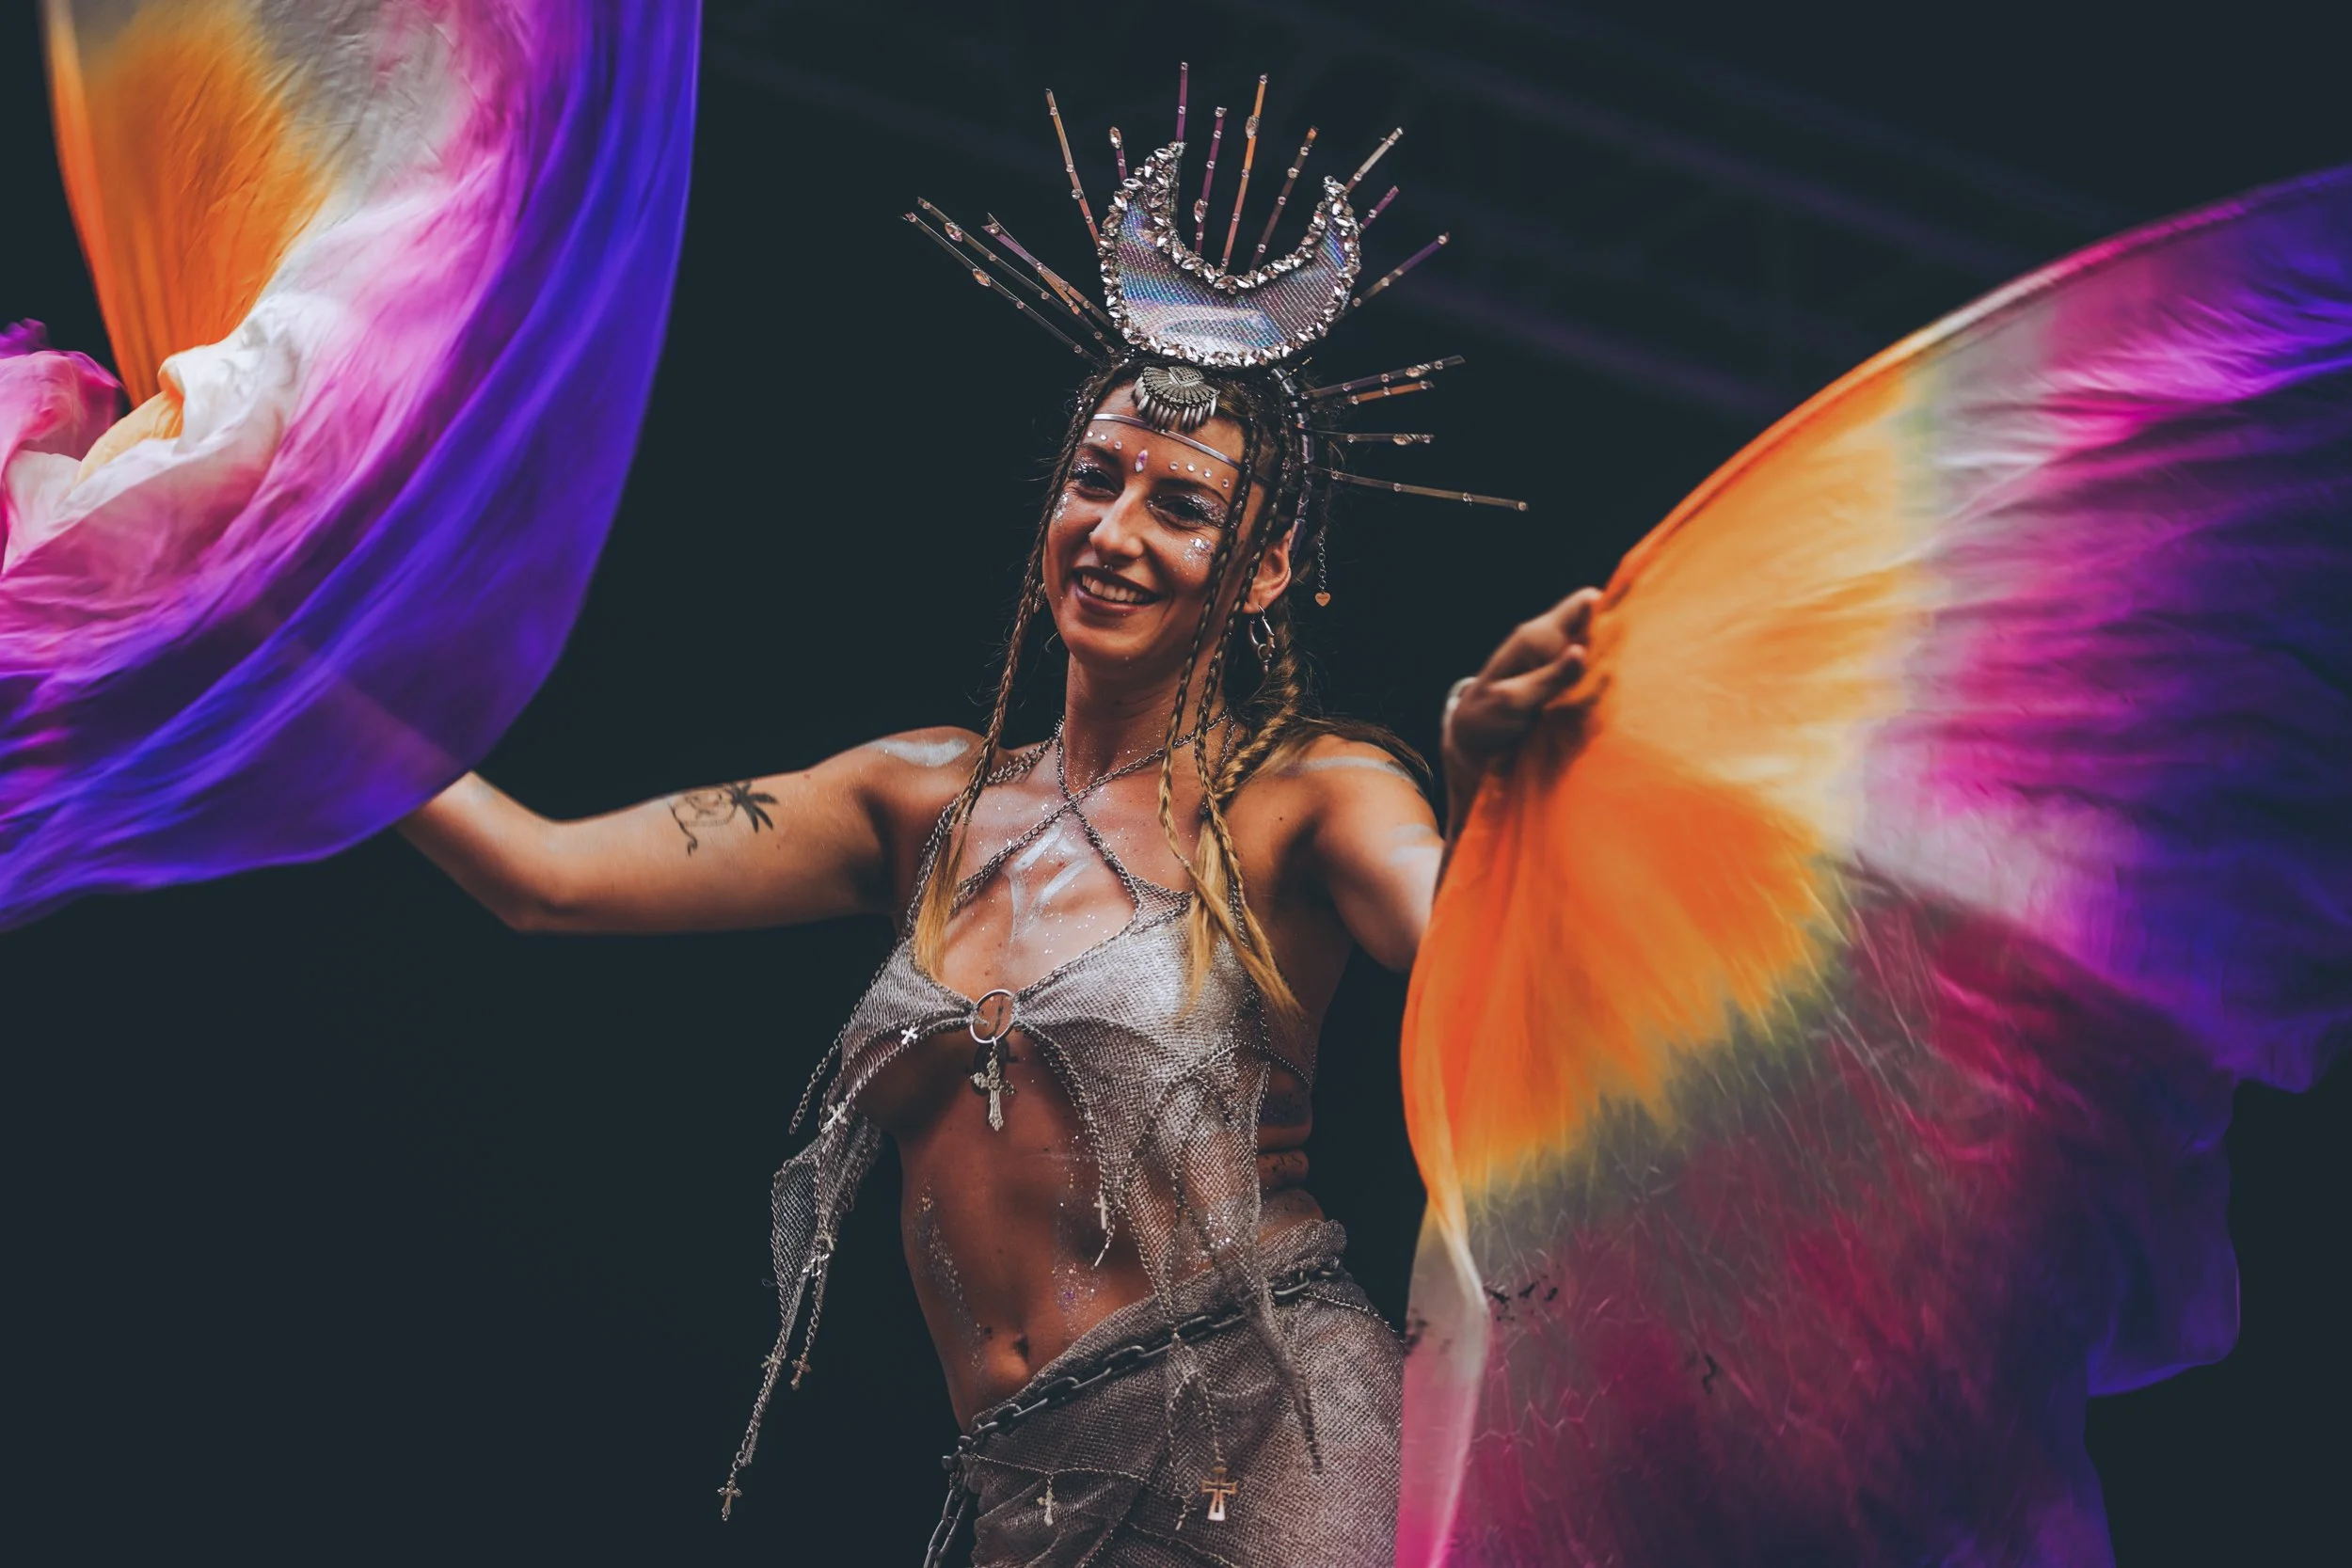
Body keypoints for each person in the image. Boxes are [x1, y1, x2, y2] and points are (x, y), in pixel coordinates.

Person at [400, 354, 1598, 1564]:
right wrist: (262, 654)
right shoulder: (918, 800)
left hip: (1265, 1444)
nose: (1114, 532)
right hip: (1023, 1477)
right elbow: (539, 876)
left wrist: (1473, 784)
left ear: (1264, 569)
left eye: (1179, 507)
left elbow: (1473, 964)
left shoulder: (1308, 794)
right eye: (1093, 481)